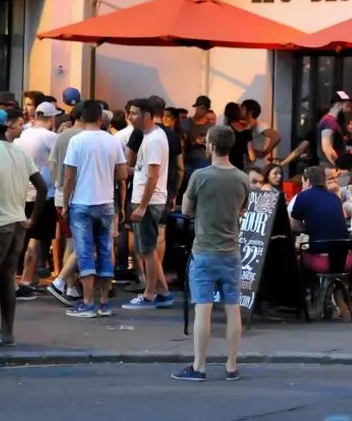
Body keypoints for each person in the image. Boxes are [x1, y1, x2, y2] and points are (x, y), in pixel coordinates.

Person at [171, 125, 249, 382]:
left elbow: (186, 210)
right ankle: (231, 365)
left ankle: (199, 366)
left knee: (203, 309)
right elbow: (241, 211)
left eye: (206, 142)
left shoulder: (199, 176)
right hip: (231, 251)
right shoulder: (242, 178)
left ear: (212, 146)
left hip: (204, 250)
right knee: (232, 309)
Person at [0, 107, 47, 348]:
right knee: (6, 278)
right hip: (17, 224)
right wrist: (32, 218)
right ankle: (7, 333)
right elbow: (42, 187)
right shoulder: (19, 153)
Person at [62, 101, 128, 317]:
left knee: (84, 253)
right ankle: (104, 303)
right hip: (107, 203)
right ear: (101, 119)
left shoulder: (76, 141)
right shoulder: (112, 142)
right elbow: (122, 176)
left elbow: (69, 176)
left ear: (81, 118)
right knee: (105, 250)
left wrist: (65, 203)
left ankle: (87, 302)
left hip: (82, 202)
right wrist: (121, 204)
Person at [122, 98, 175, 310]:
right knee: (147, 249)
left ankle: (150, 294)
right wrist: (133, 171)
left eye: (134, 113)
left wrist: (142, 206)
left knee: (147, 250)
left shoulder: (153, 139)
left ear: (146, 115)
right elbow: (148, 171)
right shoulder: (151, 136)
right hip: (147, 199)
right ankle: (163, 293)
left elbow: (153, 176)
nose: (130, 117)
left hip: (149, 202)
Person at [15, 102, 60, 296]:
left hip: (21, 191)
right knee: (36, 238)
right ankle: (26, 279)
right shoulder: (51, 137)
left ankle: (29, 278)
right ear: (51, 119)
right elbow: (58, 164)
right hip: (43, 193)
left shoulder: (22, 134)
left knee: (26, 237)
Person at [47, 103, 86, 306]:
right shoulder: (84, 137)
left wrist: (57, 184)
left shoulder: (61, 136)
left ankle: (68, 285)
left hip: (60, 195)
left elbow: (52, 164)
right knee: (79, 242)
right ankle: (66, 285)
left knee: (71, 240)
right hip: (80, 195)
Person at [290, 166, 352, 273]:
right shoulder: (335, 198)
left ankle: (310, 289)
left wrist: (308, 228)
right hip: (347, 259)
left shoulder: (302, 196)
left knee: (296, 260)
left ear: (307, 181)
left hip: (321, 260)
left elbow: (294, 225)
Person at [180, 95, 214, 185]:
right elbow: (180, 144)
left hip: (204, 162)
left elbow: (213, 145)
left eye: (204, 109)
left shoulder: (210, 127)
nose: (201, 111)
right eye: (199, 107)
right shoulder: (185, 123)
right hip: (187, 162)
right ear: (196, 107)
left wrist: (201, 141)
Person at [241, 99, 280, 168]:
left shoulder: (259, 124)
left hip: (257, 166)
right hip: (247, 165)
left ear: (250, 112)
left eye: (243, 109)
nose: (240, 111)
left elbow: (276, 136)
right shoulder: (245, 125)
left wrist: (265, 153)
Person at [318, 91, 352, 166]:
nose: (349, 110)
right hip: (329, 166)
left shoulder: (332, 121)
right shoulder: (329, 121)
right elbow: (326, 147)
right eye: (347, 106)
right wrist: (338, 164)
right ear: (338, 105)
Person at [223, 102, 254, 171]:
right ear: (237, 113)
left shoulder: (224, 131)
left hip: (225, 166)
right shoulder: (247, 132)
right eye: (241, 110)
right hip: (239, 168)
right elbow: (252, 157)